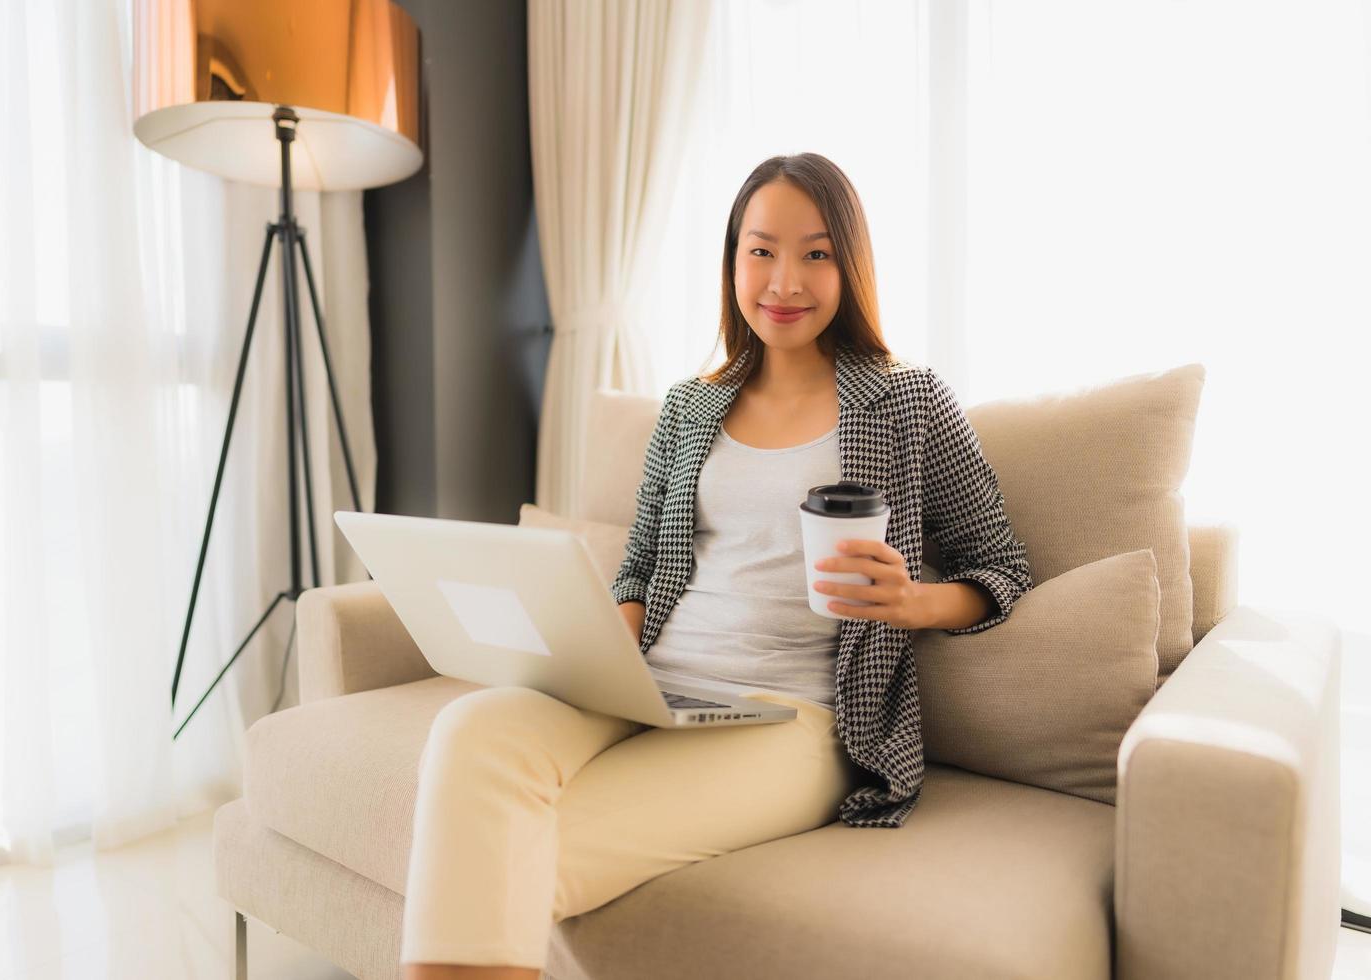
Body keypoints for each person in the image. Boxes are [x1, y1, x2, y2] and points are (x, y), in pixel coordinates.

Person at [399, 153, 1034, 980]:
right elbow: (637, 569)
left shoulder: (908, 400)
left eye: (816, 253)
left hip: (794, 717)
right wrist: (601, 653)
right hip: (650, 683)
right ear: (733, 258)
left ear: (850, 265)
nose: (785, 280)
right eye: (761, 250)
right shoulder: (688, 406)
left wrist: (915, 603)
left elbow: (1003, 565)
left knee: (507, 853)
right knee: (471, 728)